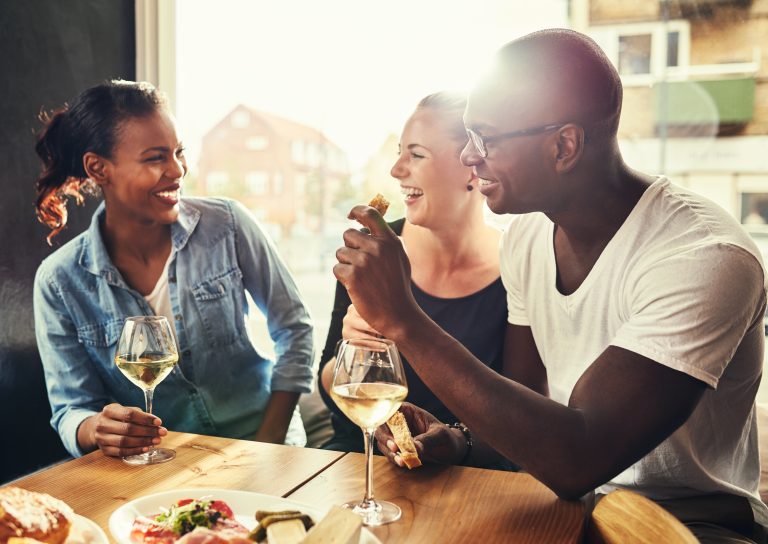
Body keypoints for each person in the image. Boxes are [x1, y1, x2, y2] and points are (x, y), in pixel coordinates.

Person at [334, 29, 768, 542]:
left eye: (486, 139)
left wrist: (403, 320)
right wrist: (460, 441)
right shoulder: (527, 237)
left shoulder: (702, 256)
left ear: (564, 145)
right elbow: (528, 407)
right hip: (560, 506)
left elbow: (579, 455)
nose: (471, 158)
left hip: (687, 526)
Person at [33, 80, 314, 459]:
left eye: (179, 152)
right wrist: (96, 428)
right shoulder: (59, 281)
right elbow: (71, 408)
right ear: (98, 168)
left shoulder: (228, 226)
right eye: (155, 158)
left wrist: (266, 445)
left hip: (263, 445)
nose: (178, 170)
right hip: (155, 469)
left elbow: (295, 330)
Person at [318, 93, 514, 465]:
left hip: (475, 477)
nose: (396, 170)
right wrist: (351, 352)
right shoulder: (373, 252)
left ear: (473, 166)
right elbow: (327, 381)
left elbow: (522, 413)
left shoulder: (520, 266)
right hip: (360, 462)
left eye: (417, 154)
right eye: (399, 152)